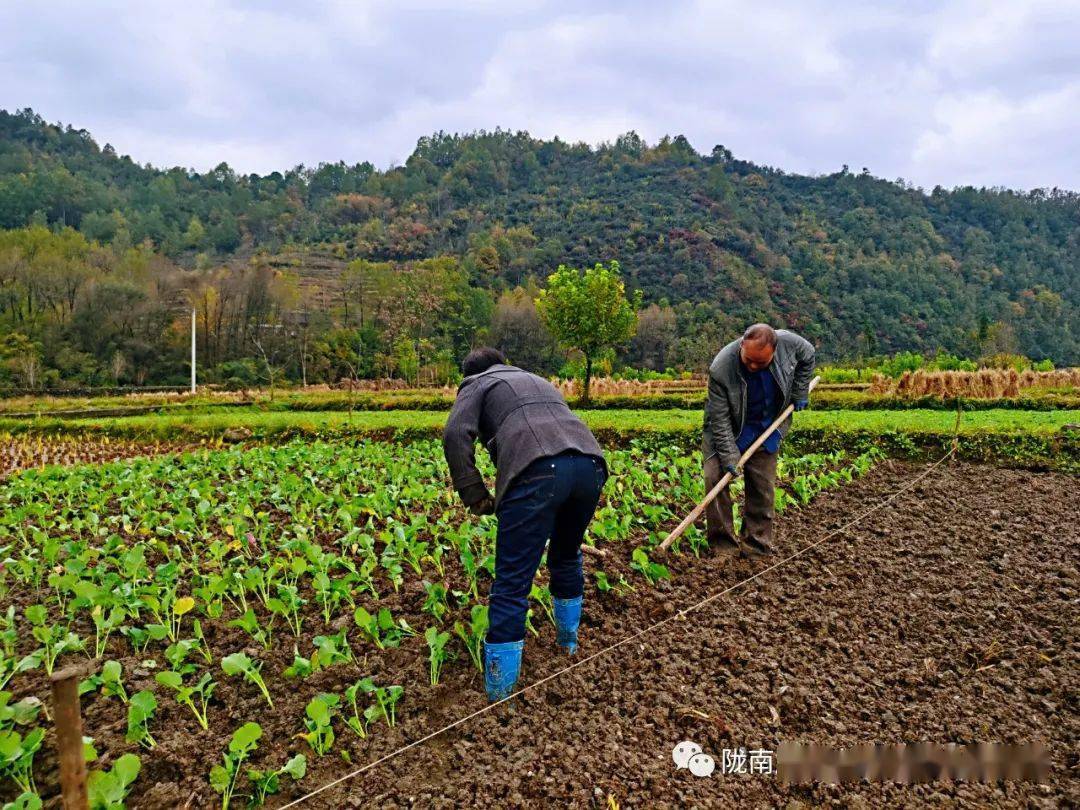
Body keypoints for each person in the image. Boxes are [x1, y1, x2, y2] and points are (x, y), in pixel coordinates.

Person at [443, 347, 608, 701]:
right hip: (590, 465)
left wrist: (474, 494)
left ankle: (500, 693)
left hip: (537, 471)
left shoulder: (477, 382)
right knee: (565, 556)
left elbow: (455, 434)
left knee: (514, 578)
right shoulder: (535, 379)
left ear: (470, 374)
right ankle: (568, 644)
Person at [702, 324, 815, 556]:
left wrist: (800, 391)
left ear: (775, 351)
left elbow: (809, 355)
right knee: (714, 477)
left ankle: (756, 546)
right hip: (730, 427)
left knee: (762, 487)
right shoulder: (721, 368)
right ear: (742, 345)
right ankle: (723, 547)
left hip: (767, 424)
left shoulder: (790, 344)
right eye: (748, 360)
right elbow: (719, 419)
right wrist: (729, 455)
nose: (753, 366)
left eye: (761, 363)